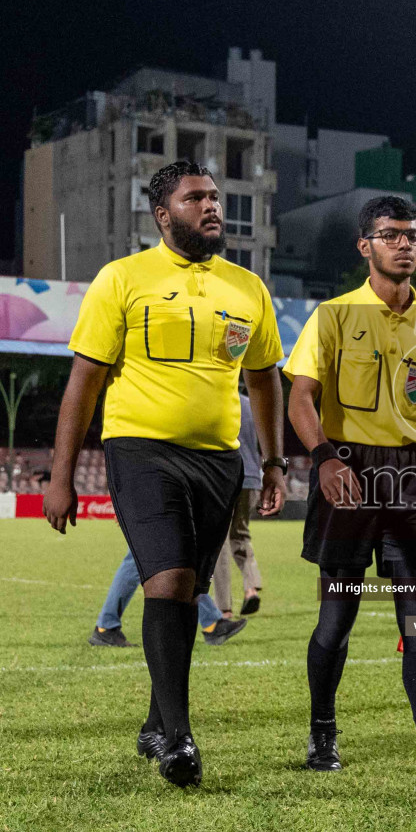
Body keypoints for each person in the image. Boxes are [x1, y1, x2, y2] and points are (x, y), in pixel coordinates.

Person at [45, 160, 287, 788]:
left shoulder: (248, 289)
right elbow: (83, 383)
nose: (212, 206)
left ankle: (157, 720)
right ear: (163, 214)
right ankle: (178, 739)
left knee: (183, 590)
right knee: (171, 578)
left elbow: (264, 380)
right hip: (140, 450)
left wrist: (277, 460)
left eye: (215, 197)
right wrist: (60, 475)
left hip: (219, 459)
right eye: (196, 198)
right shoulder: (122, 279)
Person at [284, 194, 416, 798]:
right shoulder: (333, 316)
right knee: (336, 619)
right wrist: (322, 458)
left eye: (413, 235)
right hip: (347, 474)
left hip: (415, 478)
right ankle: (323, 732)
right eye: (391, 234)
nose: (404, 244)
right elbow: (300, 397)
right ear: (364, 245)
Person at [88, 549, 246, 647]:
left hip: (151, 505)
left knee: (161, 556)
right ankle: (212, 623)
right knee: (169, 556)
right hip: (152, 505)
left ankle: (212, 622)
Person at [212, 391, 265, 618]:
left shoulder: (217, 399)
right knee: (241, 534)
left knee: (219, 541)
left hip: (225, 477)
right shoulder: (252, 405)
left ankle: (224, 608)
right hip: (252, 478)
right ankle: (251, 587)